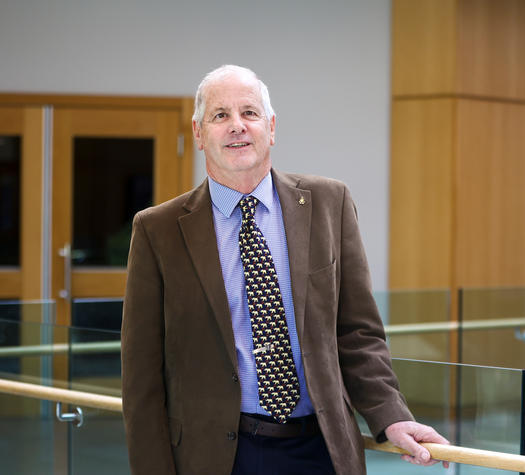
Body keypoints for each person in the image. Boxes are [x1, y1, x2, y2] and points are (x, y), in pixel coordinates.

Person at [121, 64, 449, 475]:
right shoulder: (158, 230)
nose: (237, 126)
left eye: (250, 113)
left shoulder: (330, 204)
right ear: (199, 134)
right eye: (220, 115)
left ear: (271, 127)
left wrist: (391, 415)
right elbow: (141, 378)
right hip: (215, 457)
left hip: (321, 451)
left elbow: (358, 334)